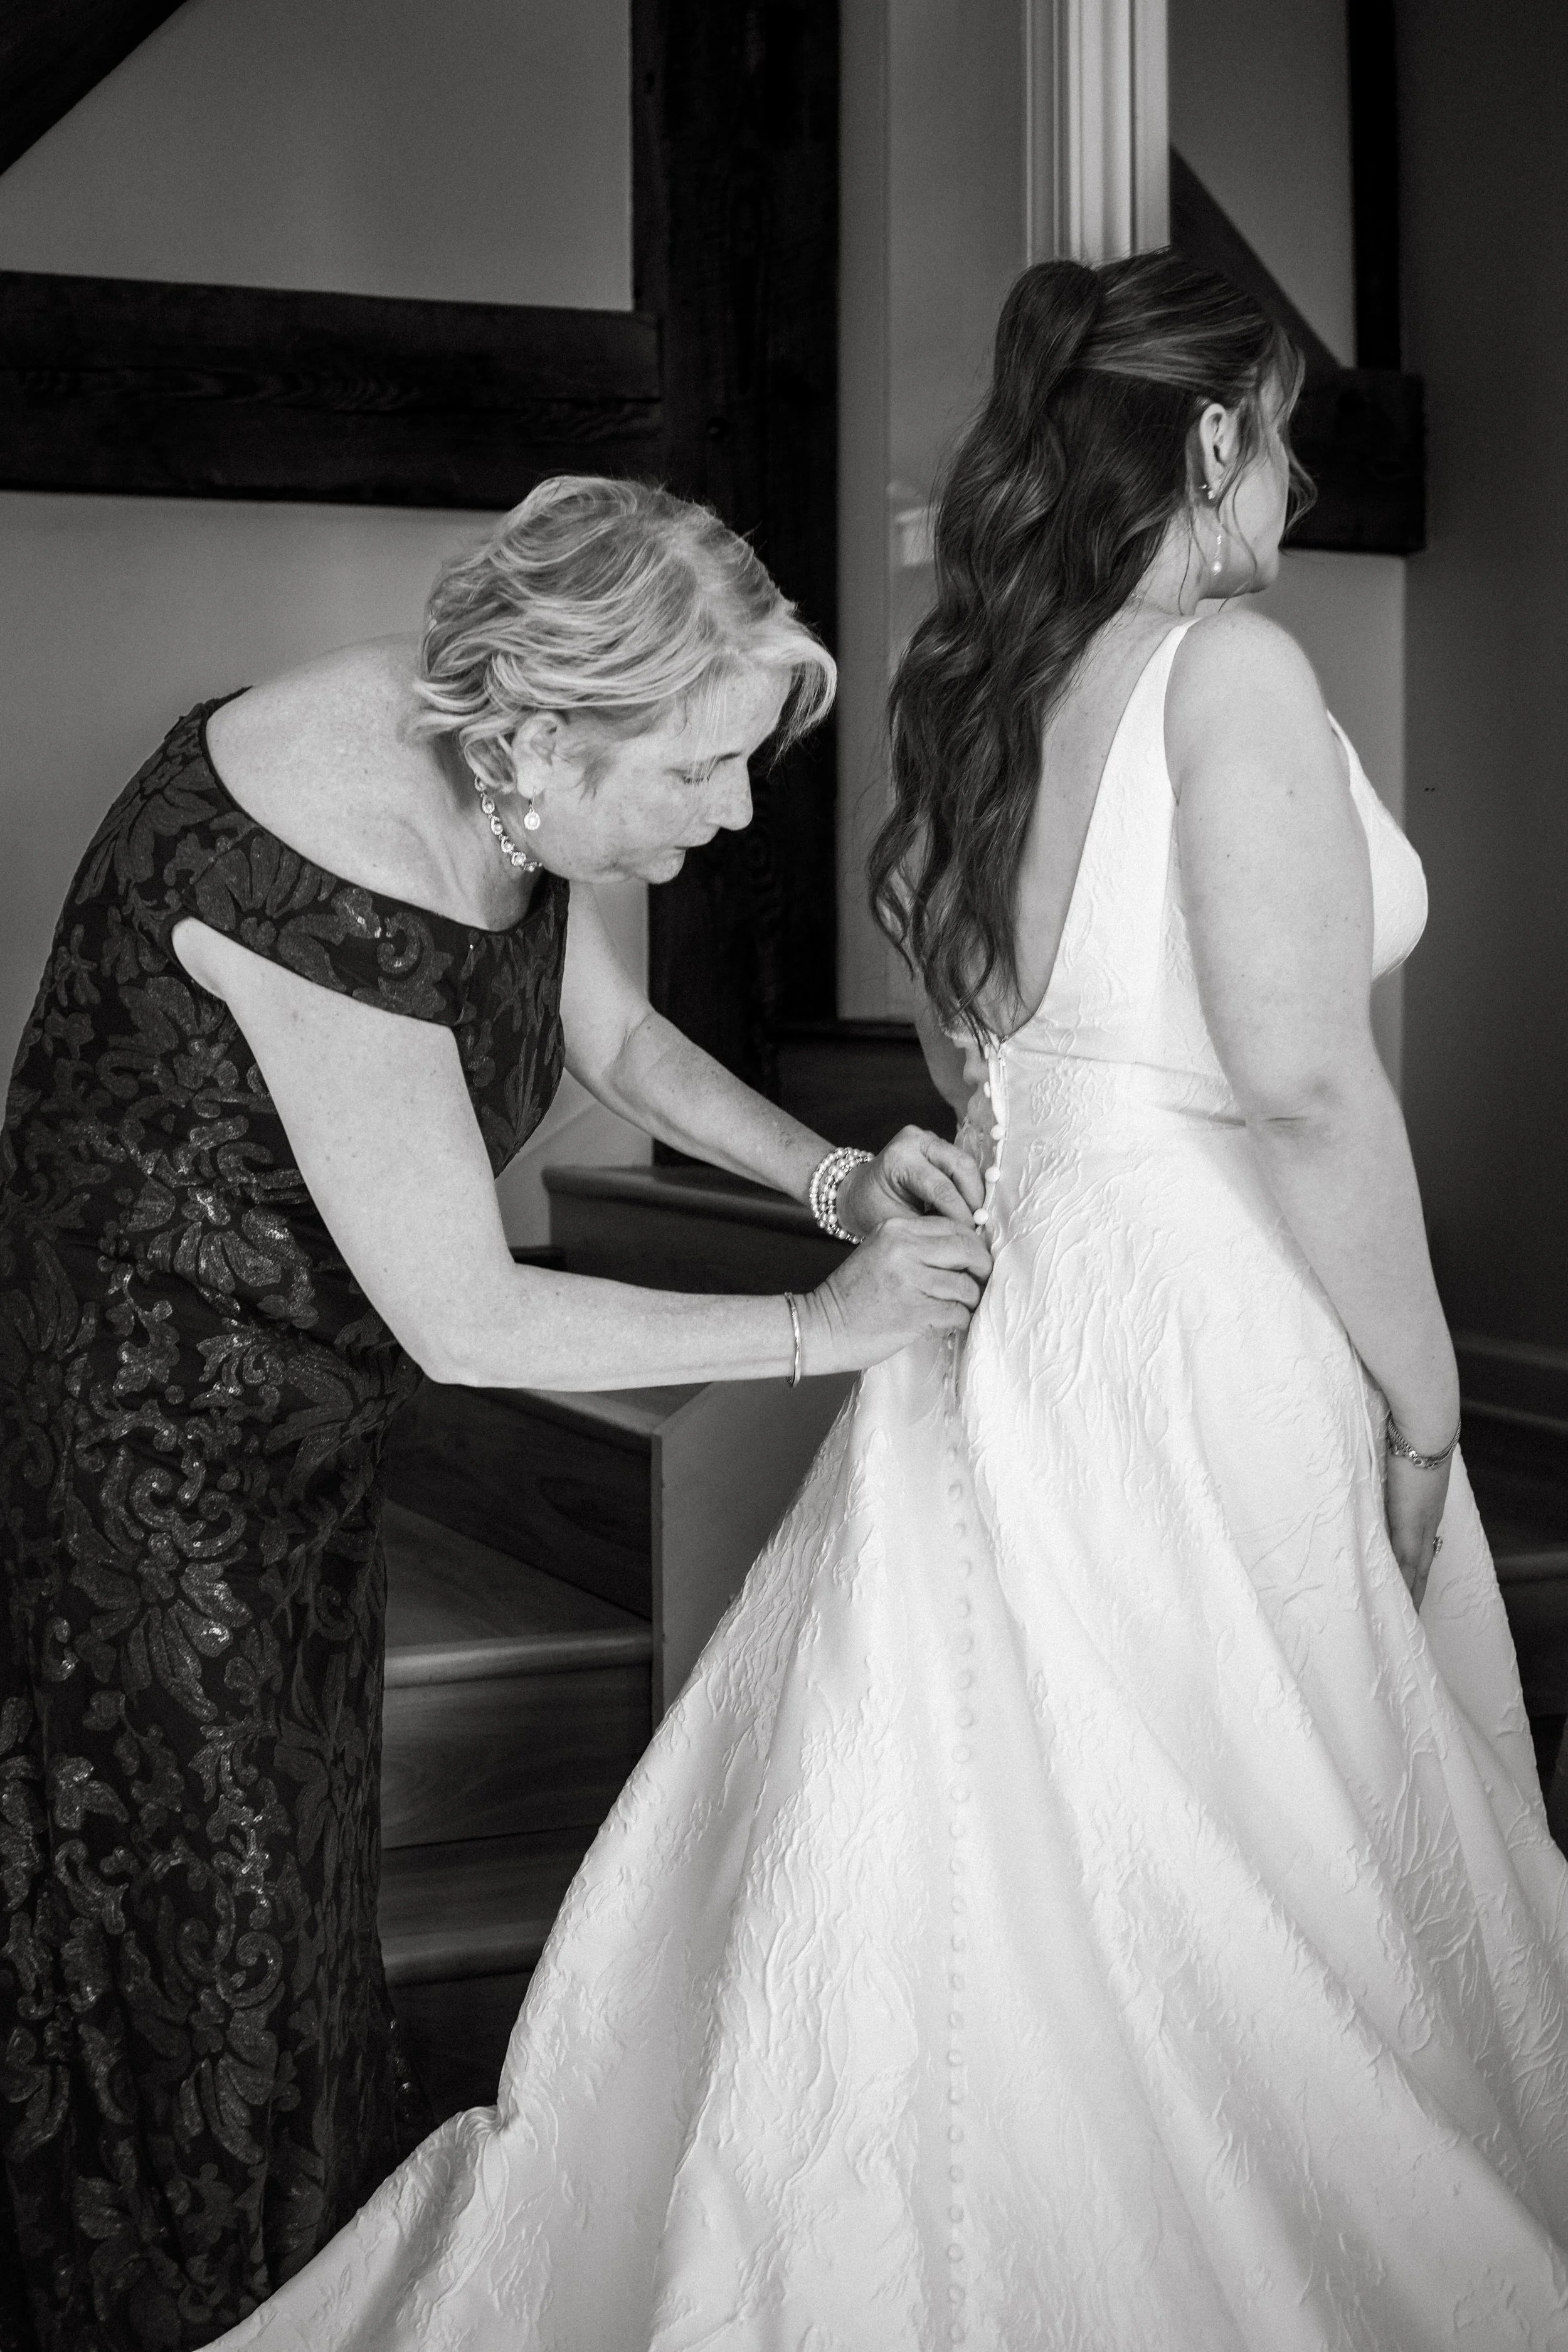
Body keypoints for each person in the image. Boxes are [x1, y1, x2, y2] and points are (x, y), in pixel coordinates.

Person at [211, 254, 1568, 2350]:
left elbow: (971, 1051)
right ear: (1212, 437)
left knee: (1001, 1801)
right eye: (1282, 444)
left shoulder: (991, 683)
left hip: (1028, 1286)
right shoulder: (1225, 672)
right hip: (1200, 1301)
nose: (1292, 494)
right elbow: (1303, 1083)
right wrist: (1424, 1404)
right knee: (1242, 1818)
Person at [0, 475, 993, 2352]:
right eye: (703, 767)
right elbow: (467, 1318)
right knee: (198, 1906)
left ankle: (288, 2255)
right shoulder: (330, 856)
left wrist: (831, 1181)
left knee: (298, 1873)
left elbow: (613, 1037)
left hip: (307, 1411)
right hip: (141, 1437)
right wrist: (822, 1324)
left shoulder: (520, 761)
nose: (736, 810)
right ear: (548, 732)